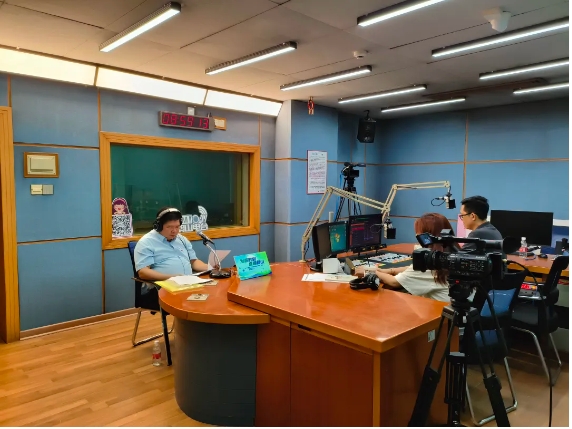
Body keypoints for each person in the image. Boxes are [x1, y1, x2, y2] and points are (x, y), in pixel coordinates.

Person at [368, 213, 460, 302]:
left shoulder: (432, 262)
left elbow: (394, 282)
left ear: (429, 236)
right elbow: (415, 268)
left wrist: (370, 272)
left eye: (419, 234)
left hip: (441, 311)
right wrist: (390, 271)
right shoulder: (453, 254)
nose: (416, 236)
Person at [134, 207, 212, 283]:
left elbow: (194, 262)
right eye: (169, 227)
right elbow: (143, 272)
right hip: (163, 285)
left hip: (189, 283)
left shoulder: (182, 239)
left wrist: (210, 267)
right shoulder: (146, 242)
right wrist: (172, 278)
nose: (174, 231)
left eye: (177, 227)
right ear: (158, 226)